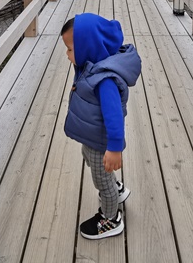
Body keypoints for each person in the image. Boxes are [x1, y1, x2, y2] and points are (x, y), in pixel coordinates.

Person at [60, 13, 142, 240]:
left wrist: (115, 148)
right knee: (89, 156)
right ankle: (116, 190)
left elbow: (114, 116)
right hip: (93, 138)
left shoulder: (104, 80)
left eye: (69, 49)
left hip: (102, 140)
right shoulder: (91, 65)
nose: (67, 55)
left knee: (101, 179)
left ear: (88, 47)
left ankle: (111, 218)